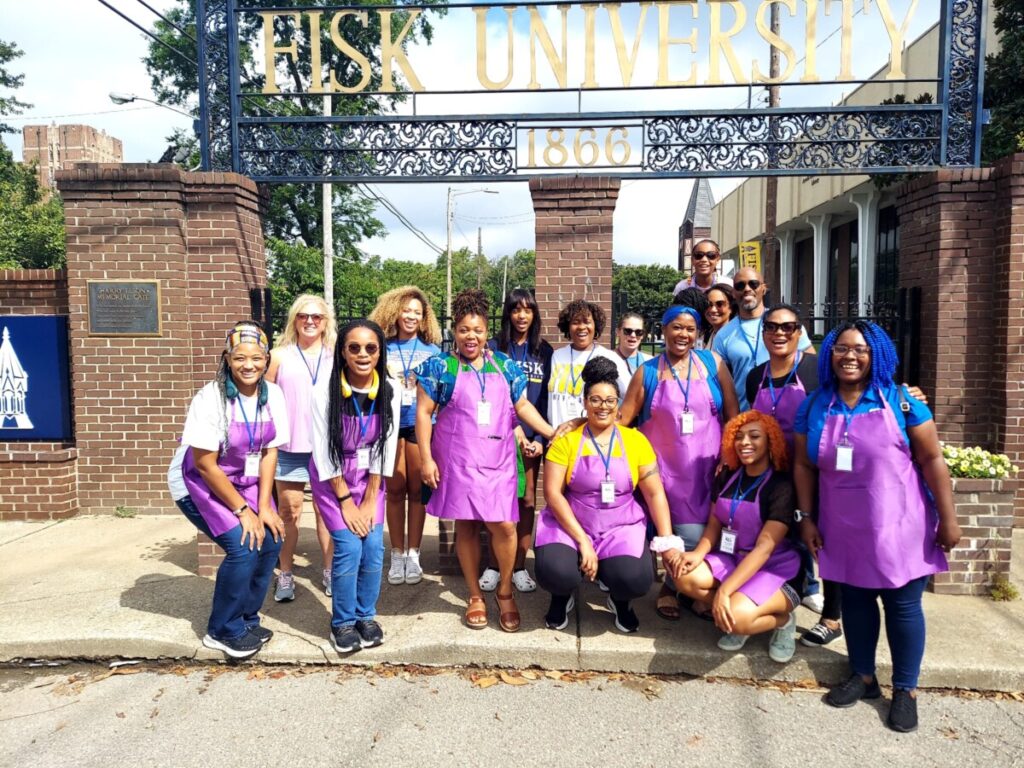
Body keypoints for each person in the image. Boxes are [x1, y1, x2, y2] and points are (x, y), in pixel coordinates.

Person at [793, 321, 960, 733]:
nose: (850, 356)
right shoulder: (815, 405)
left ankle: (905, 689)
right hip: (843, 524)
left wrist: (948, 518)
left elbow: (932, 460)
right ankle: (864, 676)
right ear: (829, 354)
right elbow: (803, 465)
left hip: (899, 523)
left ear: (876, 355)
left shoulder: (901, 401)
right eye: (841, 348)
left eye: (861, 349)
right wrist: (807, 518)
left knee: (902, 605)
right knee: (856, 602)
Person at [416, 289, 554, 632]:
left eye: (477, 330)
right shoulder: (440, 367)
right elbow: (423, 413)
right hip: (458, 460)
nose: (471, 337)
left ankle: (505, 591)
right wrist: (426, 459)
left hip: (499, 461)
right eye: (464, 330)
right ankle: (475, 595)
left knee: (504, 525)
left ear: (486, 331)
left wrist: (551, 433)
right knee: (466, 525)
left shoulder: (504, 365)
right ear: (454, 331)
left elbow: (522, 406)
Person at [536, 357, 685, 633]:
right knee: (555, 571)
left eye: (610, 400)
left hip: (620, 526)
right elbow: (553, 494)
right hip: (571, 524)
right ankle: (561, 596)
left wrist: (667, 541)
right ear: (584, 402)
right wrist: (583, 541)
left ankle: (620, 600)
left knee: (635, 579)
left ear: (618, 405)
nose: (602, 406)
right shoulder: (566, 441)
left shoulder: (636, 441)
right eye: (595, 399)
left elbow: (655, 493)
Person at [167, 321, 288, 660]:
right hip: (199, 482)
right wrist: (243, 511)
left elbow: (270, 452)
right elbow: (205, 465)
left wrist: (265, 507)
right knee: (244, 545)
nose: (249, 365)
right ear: (227, 359)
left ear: (266, 360)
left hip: (242, 481)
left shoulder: (273, 395)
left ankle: (246, 619)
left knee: (272, 539)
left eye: (256, 358)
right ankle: (221, 629)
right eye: (239, 358)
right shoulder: (210, 398)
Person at [621, 305, 739, 620]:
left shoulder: (713, 364)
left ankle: (689, 588)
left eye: (689, 329)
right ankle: (672, 588)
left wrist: (730, 455)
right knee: (678, 535)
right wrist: (580, 423)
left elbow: (732, 414)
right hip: (664, 474)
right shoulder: (647, 372)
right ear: (663, 330)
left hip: (709, 468)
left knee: (708, 536)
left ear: (697, 333)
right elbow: (622, 420)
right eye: (676, 327)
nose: (683, 334)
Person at [673, 410, 800, 662]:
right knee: (684, 577)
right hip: (734, 558)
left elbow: (764, 549)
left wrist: (724, 592)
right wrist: (697, 553)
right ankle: (736, 608)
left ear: (771, 441)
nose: (744, 442)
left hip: (775, 569)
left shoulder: (781, 486)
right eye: (739, 437)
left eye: (754, 436)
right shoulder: (727, 475)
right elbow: (714, 523)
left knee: (736, 621)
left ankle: (783, 621)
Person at [310, 320, 400, 654]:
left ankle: (366, 616)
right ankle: (343, 623)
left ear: (380, 352)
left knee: (374, 546)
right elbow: (324, 453)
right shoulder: (324, 392)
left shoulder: (391, 390)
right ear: (343, 353)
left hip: (370, 478)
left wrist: (370, 498)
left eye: (370, 348)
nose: (363, 354)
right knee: (349, 546)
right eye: (354, 348)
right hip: (333, 479)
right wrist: (347, 502)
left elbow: (385, 447)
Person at [745, 304, 832, 632]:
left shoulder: (816, 370)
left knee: (821, 539)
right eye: (771, 327)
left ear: (799, 332)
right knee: (785, 541)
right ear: (763, 332)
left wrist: (905, 390)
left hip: (812, 470)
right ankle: (789, 596)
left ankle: (831, 616)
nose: (779, 333)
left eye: (787, 327)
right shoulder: (756, 377)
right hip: (772, 475)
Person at [479, 289, 554, 595]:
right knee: (496, 501)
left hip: (531, 442)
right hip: (498, 438)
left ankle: (520, 566)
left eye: (528, 310)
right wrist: (514, 429)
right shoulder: (493, 348)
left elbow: (545, 399)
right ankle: (495, 565)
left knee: (526, 501)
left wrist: (539, 438)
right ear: (508, 313)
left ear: (534, 314)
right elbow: (488, 395)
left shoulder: (544, 351)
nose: (522, 316)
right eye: (516, 309)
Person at [368, 286, 442, 587]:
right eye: (406, 310)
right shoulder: (381, 347)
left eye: (417, 312)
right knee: (395, 491)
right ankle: (397, 554)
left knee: (417, 491)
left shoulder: (433, 351)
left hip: (419, 426)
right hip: (389, 425)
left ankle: (414, 554)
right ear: (395, 312)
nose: (411, 316)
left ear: (424, 318)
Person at [265, 294, 336, 603]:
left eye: (316, 316)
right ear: (294, 319)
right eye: (303, 316)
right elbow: (265, 398)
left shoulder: (336, 354)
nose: (310, 321)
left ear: (325, 322)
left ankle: (330, 571)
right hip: (289, 446)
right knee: (289, 511)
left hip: (326, 446)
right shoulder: (278, 355)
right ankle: (285, 573)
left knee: (326, 511)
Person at [713, 268, 812, 410]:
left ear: (763, 289)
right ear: (734, 293)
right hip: (745, 414)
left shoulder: (786, 324)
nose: (747, 289)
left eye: (753, 284)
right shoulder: (723, 335)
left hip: (791, 411)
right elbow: (720, 384)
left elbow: (810, 365)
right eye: (740, 285)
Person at [547, 299, 631, 427]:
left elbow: (631, 397)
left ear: (595, 325)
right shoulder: (557, 356)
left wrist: (615, 423)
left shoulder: (609, 357)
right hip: (557, 435)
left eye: (587, 322)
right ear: (568, 326)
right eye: (575, 322)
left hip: (591, 435)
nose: (581, 327)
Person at [704, 282, 737, 350]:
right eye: (709, 304)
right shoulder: (706, 335)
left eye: (720, 304)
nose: (713, 310)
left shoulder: (736, 338)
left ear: (731, 307)